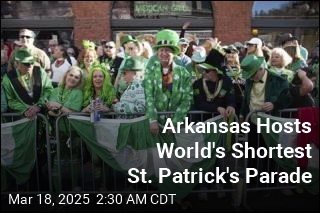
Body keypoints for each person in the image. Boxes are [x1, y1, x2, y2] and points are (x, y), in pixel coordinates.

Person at [144, 29, 193, 135]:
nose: (164, 53)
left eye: (167, 50)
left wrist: (175, 122)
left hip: (177, 126)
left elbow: (187, 98)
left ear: (173, 53)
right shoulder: (150, 72)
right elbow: (149, 97)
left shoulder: (183, 72)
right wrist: (152, 120)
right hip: (156, 125)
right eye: (161, 50)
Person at [2, 48, 53, 118]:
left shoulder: (40, 71)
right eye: (26, 63)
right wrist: (25, 109)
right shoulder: (8, 78)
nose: (30, 66)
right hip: (22, 118)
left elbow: (49, 90)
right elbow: (11, 100)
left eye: (32, 62)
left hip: (42, 114)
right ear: (17, 63)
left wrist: (39, 105)